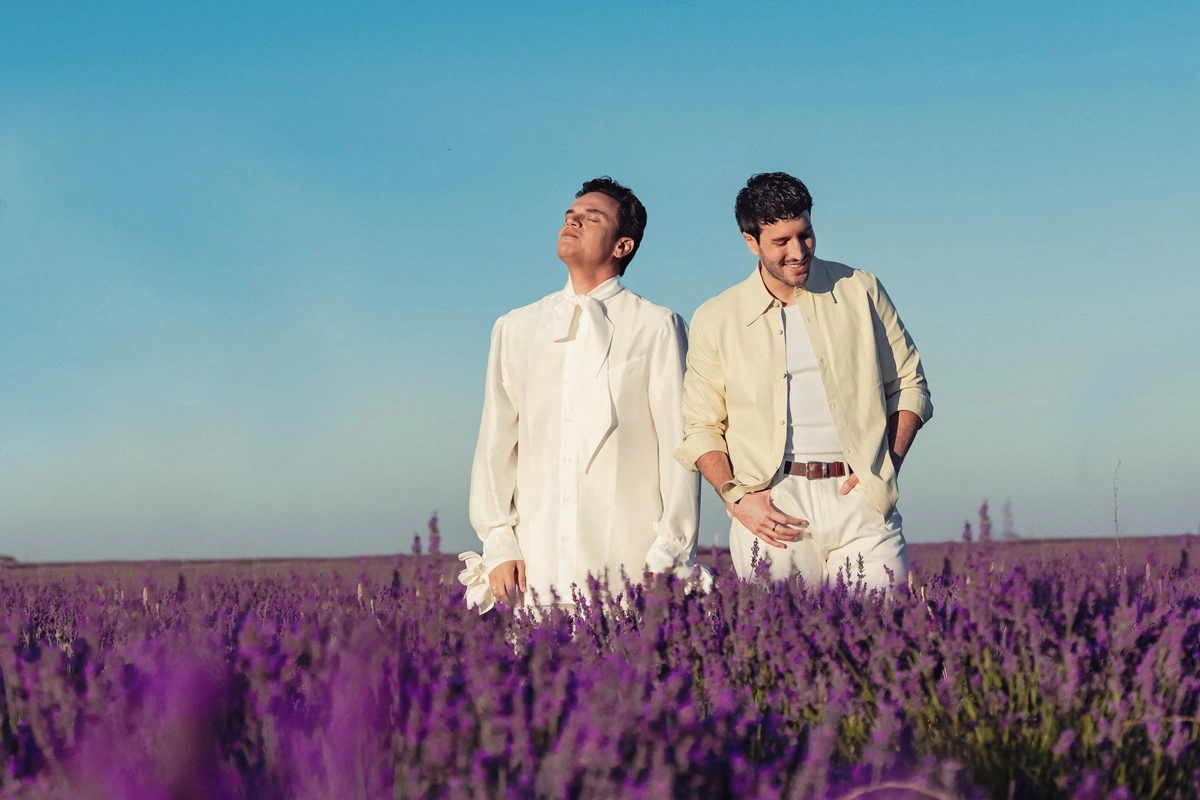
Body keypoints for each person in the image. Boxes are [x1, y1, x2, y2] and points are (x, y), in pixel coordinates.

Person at [676, 172, 932, 589]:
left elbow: (909, 385)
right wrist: (736, 497)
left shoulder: (860, 289)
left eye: (805, 234)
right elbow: (700, 427)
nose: (798, 252)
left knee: (881, 629)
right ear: (751, 242)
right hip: (771, 506)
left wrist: (887, 466)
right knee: (782, 631)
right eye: (781, 241)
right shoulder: (716, 317)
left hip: (860, 495)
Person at [460, 177, 704, 613]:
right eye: (570, 215)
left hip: (629, 560)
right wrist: (498, 541)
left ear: (622, 245)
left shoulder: (657, 327)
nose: (572, 222)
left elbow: (679, 449)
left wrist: (669, 551)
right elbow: (495, 445)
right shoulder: (516, 328)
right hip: (536, 561)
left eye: (591, 218)